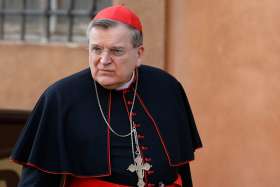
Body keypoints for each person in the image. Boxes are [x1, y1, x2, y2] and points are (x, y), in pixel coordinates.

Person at [10, 5, 202, 187]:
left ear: (139, 54)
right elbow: (36, 181)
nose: (104, 60)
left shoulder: (167, 88)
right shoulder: (60, 98)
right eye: (96, 49)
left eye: (116, 51)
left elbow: (181, 166)